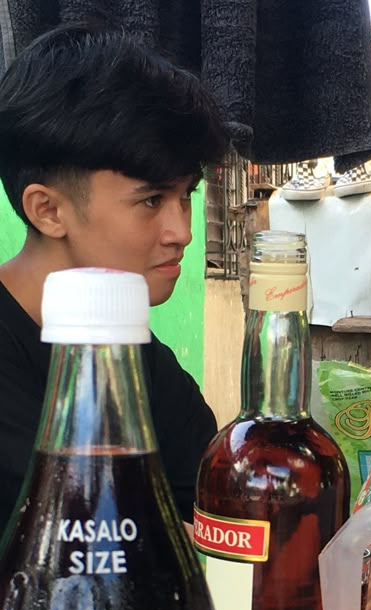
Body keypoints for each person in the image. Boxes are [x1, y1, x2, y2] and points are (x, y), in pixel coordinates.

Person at [0, 24, 230, 536]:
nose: (182, 233)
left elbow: (216, 517)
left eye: (186, 196)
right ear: (48, 210)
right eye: (151, 200)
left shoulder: (142, 362)